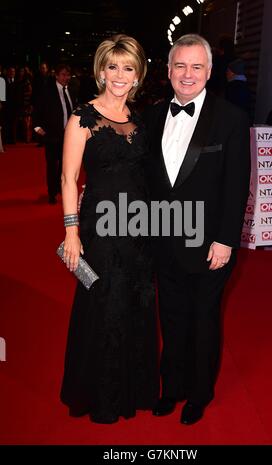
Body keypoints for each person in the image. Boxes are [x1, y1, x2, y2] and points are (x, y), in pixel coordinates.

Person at [144, 34, 251, 425]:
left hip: (210, 245)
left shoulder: (232, 119)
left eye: (196, 66)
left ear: (209, 71)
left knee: (203, 318)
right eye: (180, 66)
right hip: (163, 240)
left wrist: (225, 239)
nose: (187, 75)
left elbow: (237, 185)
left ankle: (199, 394)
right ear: (169, 70)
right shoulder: (153, 115)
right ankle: (171, 387)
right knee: (169, 316)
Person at [60, 34, 159, 424]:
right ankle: (98, 394)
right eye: (113, 67)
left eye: (128, 68)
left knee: (134, 303)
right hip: (99, 229)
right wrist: (71, 231)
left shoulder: (140, 119)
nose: (120, 75)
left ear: (138, 75)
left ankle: (131, 390)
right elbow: (68, 178)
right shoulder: (82, 116)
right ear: (102, 70)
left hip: (139, 228)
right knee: (101, 303)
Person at [33, 64, 76, 204]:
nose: (66, 78)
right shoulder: (47, 91)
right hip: (52, 134)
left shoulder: (71, 90)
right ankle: (52, 193)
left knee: (65, 165)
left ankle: (59, 187)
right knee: (52, 165)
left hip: (68, 135)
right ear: (56, 76)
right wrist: (37, 126)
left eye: (68, 75)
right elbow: (38, 109)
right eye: (63, 74)